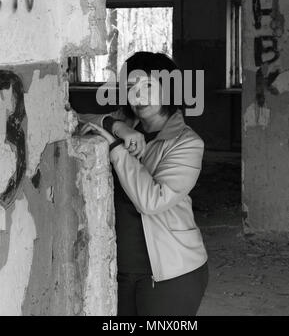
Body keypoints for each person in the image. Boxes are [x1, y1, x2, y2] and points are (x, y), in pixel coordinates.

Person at [79, 51, 208, 316]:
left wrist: (116, 148)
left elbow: (152, 201)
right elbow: (76, 118)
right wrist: (116, 126)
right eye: (131, 87)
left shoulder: (187, 143)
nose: (138, 95)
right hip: (119, 269)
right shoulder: (126, 124)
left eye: (148, 86)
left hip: (171, 273)